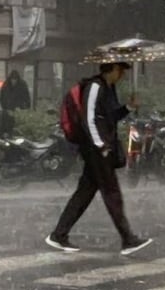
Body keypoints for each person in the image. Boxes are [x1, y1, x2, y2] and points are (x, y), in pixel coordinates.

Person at [46, 62, 153, 256]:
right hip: (96, 148)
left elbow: (109, 117)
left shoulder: (108, 88)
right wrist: (100, 144)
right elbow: (89, 119)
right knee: (111, 192)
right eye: (120, 70)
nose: (122, 74)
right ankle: (128, 239)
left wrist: (129, 106)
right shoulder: (95, 86)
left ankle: (59, 235)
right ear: (111, 69)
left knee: (85, 192)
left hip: (100, 147)